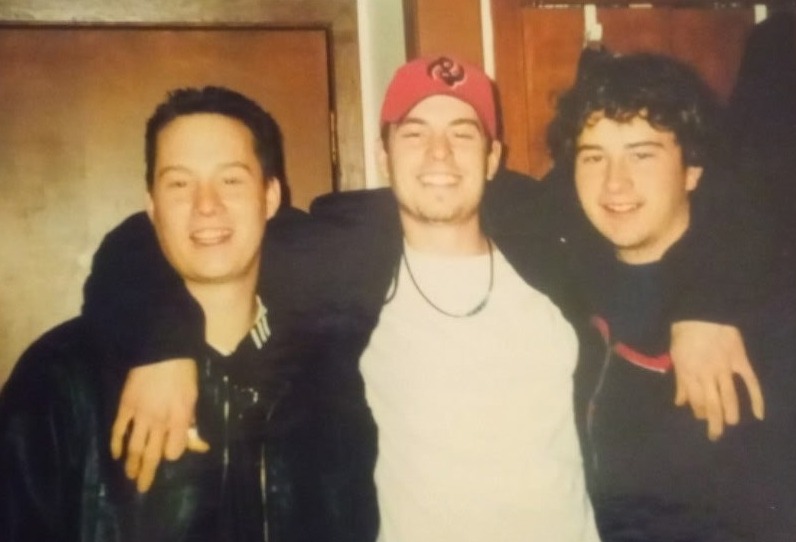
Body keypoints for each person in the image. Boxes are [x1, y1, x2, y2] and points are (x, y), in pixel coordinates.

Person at [82, 56, 760, 540]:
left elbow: (712, 195)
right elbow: (158, 234)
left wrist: (703, 300)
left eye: (462, 133)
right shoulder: (335, 253)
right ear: (384, 154)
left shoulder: (554, 242)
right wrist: (163, 343)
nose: (439, 154)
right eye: (414, 133)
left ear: (492, 158)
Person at [545, 50, 796, 541]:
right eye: (593, 157)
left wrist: (709, 301)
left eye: (643, 154)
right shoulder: (568, 281)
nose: (614, 182)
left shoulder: (771, 314)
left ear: (692, 171)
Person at [0, 86, 333, 541]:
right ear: (152, 206)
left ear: (271, 196)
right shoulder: (60, 378)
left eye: (231, 180)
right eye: (179, 183)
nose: (206, 205)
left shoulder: (331, 368)